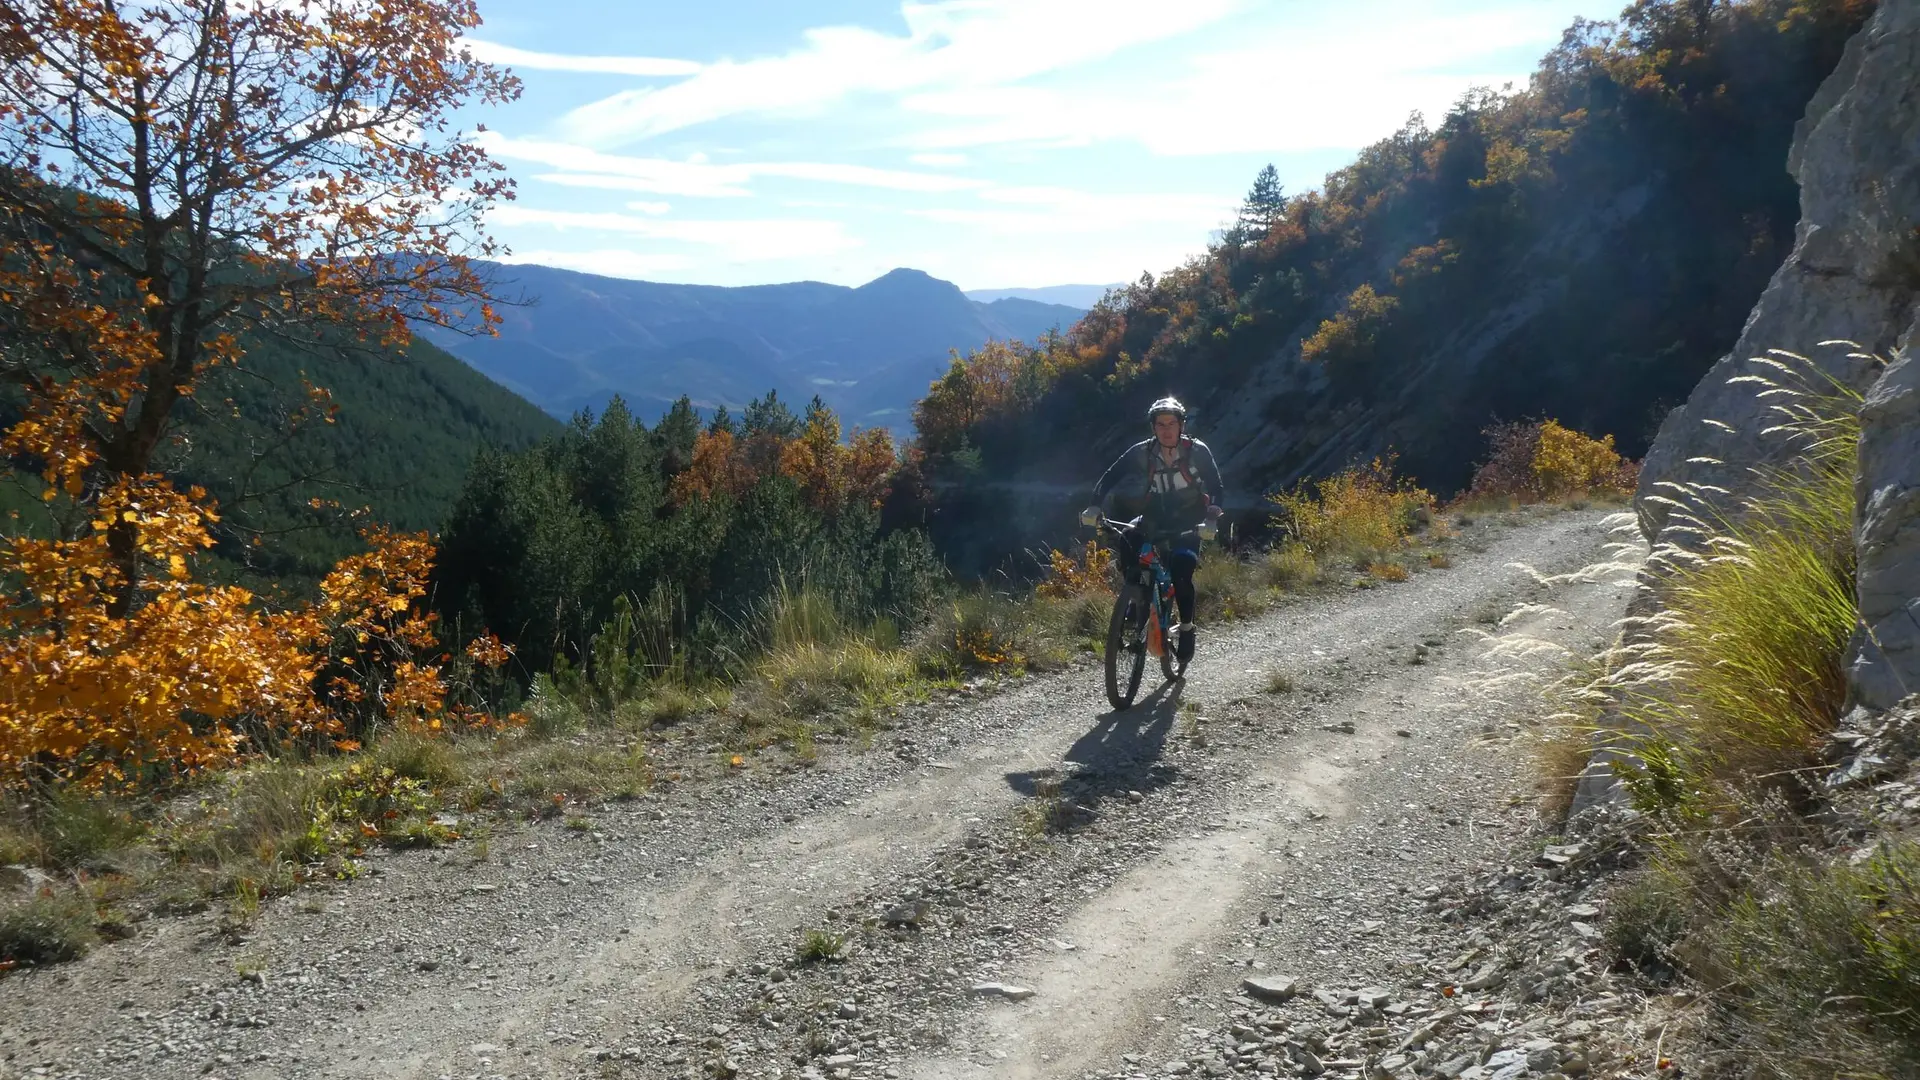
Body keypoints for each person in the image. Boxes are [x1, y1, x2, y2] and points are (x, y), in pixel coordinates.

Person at [1083, 396, 1225, 665]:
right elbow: (1111, 475)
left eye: (1172, 423)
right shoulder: (1143, 451)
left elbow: (1216, 488)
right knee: (1128, 541)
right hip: (1155, 514)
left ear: (1182, 425)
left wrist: (1212, 519)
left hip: (1190, 519)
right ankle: (1137, 598)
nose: (1166, 429)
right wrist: (1094, 506)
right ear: (1153, 427)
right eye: (1161, 424)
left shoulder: (1197, 451)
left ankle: (1186, 628)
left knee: (1182, 571)